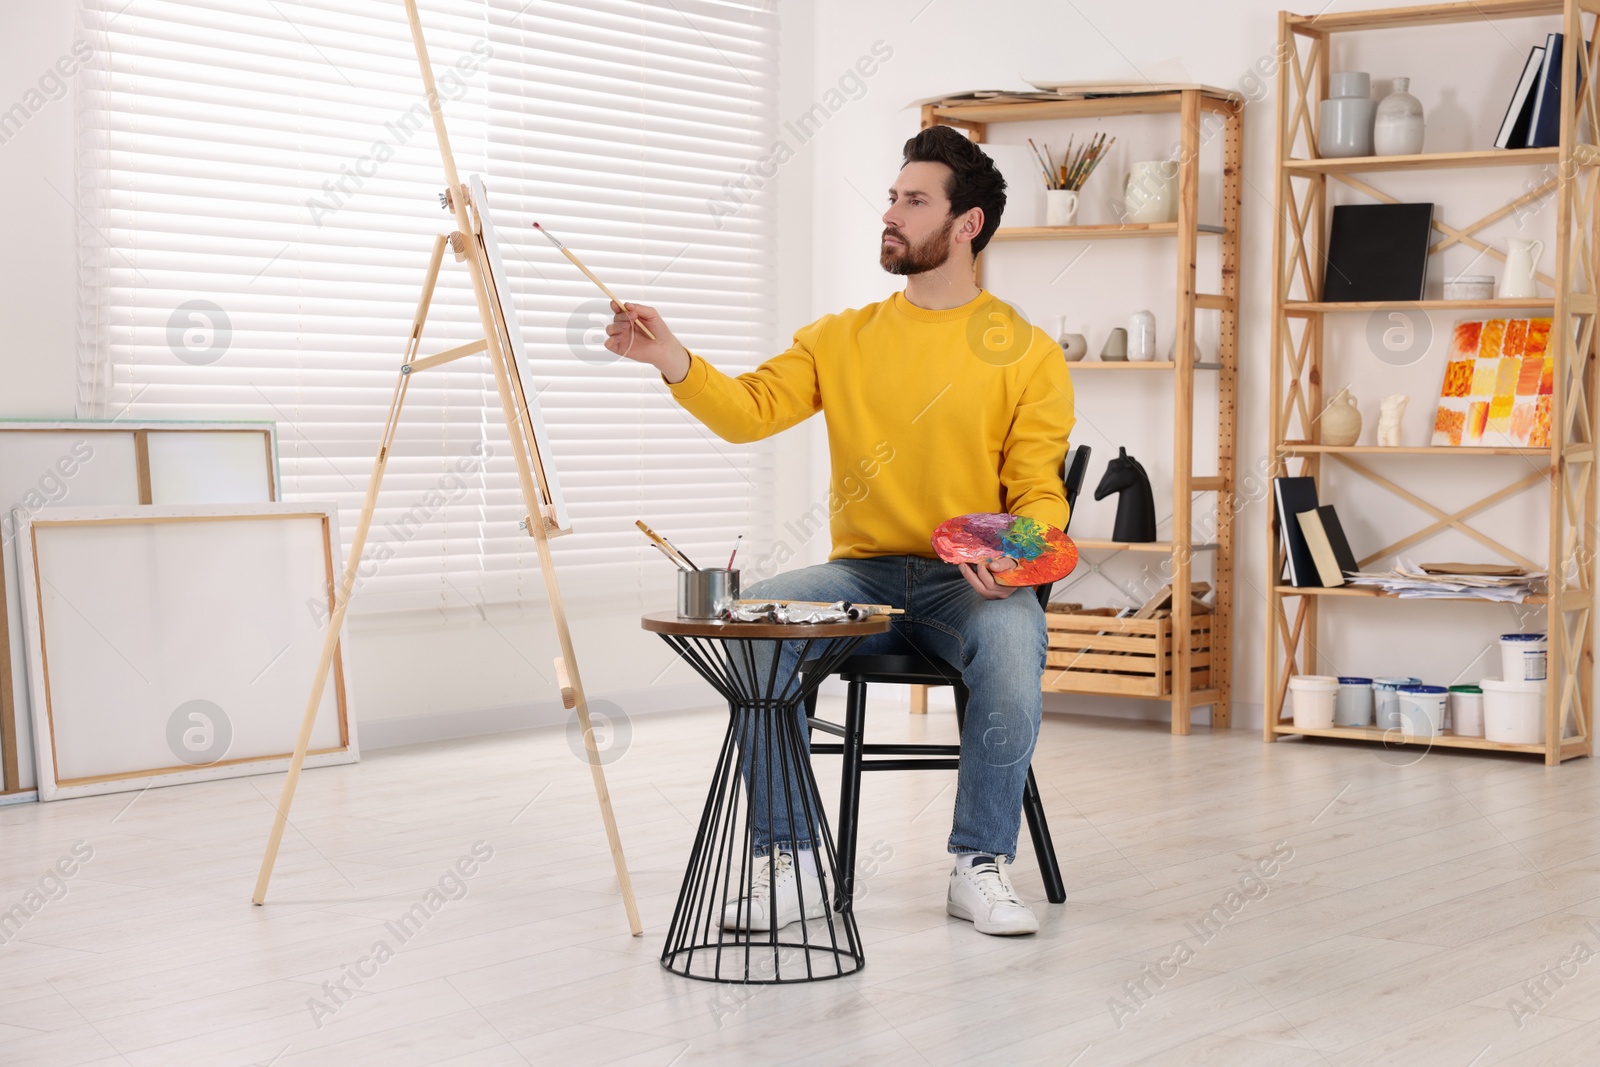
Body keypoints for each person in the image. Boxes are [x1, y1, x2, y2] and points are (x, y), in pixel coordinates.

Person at [603, 125, 1074, 936]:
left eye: (914, 200)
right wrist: (671, 357)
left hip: (966, 586)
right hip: (860, 579)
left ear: (968, 226)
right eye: (892, 196)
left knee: (1009, 643)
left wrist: (1015, 556)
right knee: (754, 627)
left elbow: (1039, 494)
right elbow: (749, 412)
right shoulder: (840, 337)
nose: (890, 213)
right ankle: (787, 860)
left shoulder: (1027, 353)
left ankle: (979, 864)